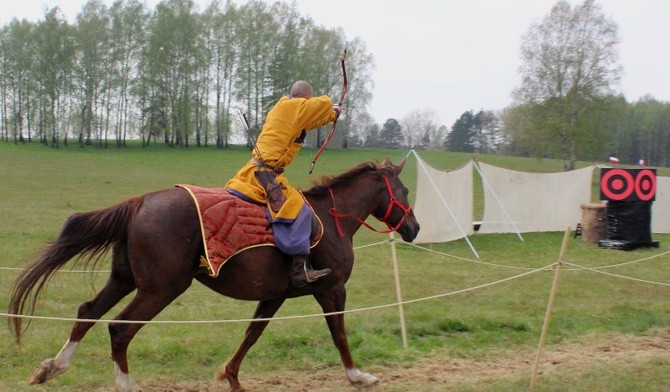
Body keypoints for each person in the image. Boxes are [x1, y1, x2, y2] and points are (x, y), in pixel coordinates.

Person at [226, 80, 344, 288]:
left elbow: (313, 119)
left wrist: (332, 115)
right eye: (309, 100)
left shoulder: (286, 109)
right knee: (299, 209)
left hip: (259, 171)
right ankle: (299, 272)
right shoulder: (293, 107)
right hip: (264, 175)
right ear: (306, 98)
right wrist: (331, 106)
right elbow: (322, 104)